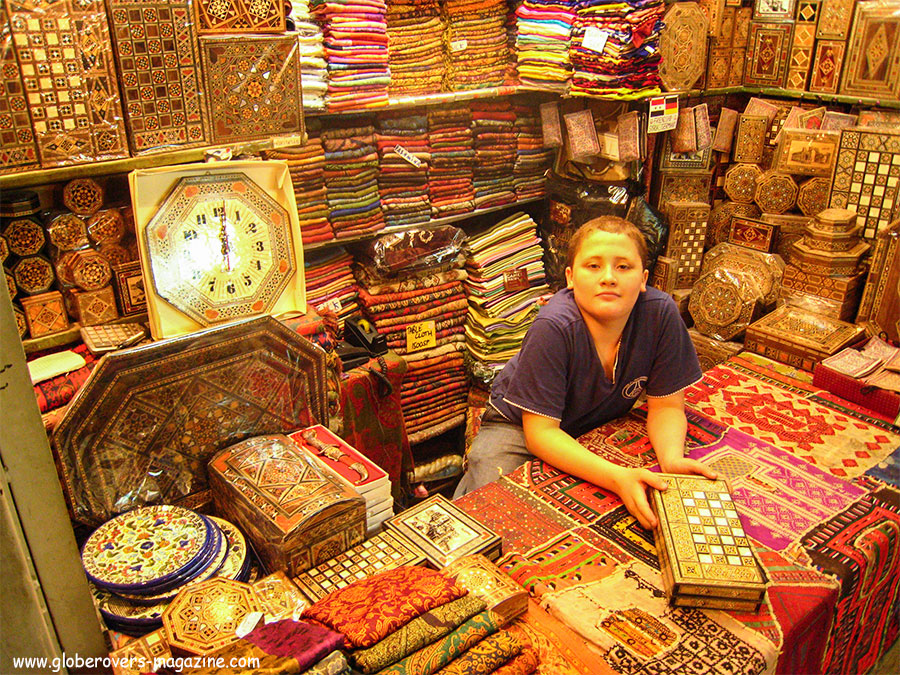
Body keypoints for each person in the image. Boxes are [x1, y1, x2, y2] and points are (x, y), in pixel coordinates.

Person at [454, 215, 716, 528]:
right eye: (593, 266)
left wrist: (671, 459)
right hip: (519, 428)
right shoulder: (554, 327)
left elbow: (667, 405)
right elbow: (541, 434)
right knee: (489, 512)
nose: (608, 277)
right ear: (570, 277)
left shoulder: (660, 314)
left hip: (593, 418)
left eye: (624, 266)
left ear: (644, 278)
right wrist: (616, 477)